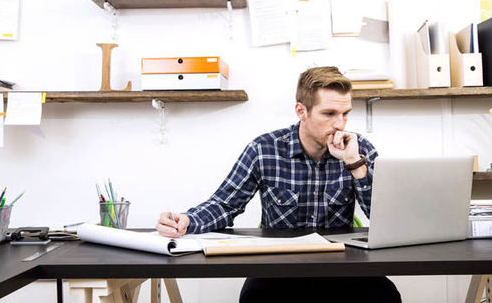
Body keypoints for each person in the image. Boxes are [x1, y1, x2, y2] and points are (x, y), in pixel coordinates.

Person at [156, 66, 401, 303]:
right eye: (329, 114)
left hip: (341, 266)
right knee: (255, 297)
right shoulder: (264, 149)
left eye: (345, 113)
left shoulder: (359, 149)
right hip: (280, 267)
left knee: (385, 296)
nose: (340, 124)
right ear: (301, 110)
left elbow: (383, 220)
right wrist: (189, 220)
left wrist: (354, 165)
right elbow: (224, 204)